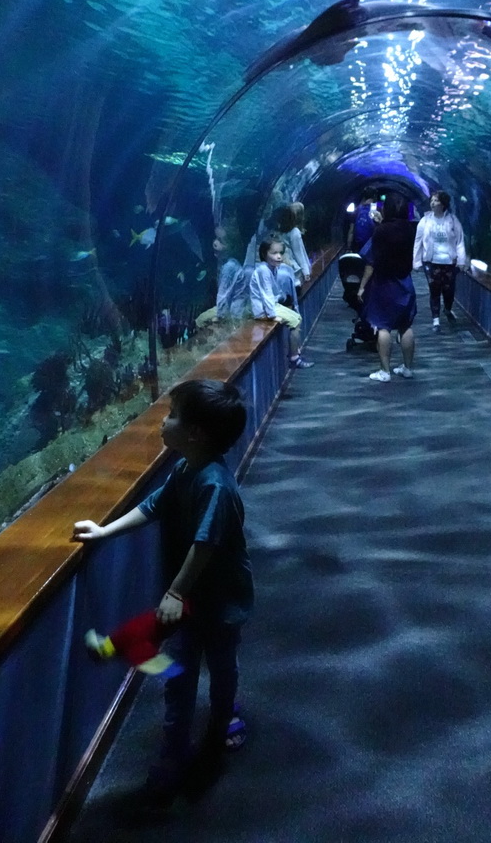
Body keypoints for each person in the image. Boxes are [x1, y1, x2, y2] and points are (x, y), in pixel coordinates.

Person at [72, 379, 254, 808]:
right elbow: (154, 505)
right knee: (179, 674)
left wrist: (175, 591)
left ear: (194, 433)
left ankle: (223, 717)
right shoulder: (185, 468)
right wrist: (104, 531)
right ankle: (173, 755)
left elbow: (205, 544)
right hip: (187, 603)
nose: (163, 421)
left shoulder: (215, 485)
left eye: (171, 415)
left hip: (219, 600)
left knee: (222, 665)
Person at [357, 191, 416, 382]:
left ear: (386, 208)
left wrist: (362, 287)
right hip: (405, 282)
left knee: (383, 327)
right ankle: (407, 368)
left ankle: (385, 371)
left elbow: (371, 261)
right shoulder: (410, 229)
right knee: (405, 326)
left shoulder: (380, 231)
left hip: (384, 284)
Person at [249, 238, 314, 368]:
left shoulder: (272, 268)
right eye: (274, 253)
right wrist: (272, 315)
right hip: (262, 310)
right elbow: (266, 295)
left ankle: (296, 352)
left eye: (281, 253)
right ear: (264, 254)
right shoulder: (263, 270)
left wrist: (282, 298)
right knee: (295, 321)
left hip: (270, 305)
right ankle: (294, 358)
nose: (279, 256)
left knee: (296, 317)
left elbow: (274, 291)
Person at [413, 190, 468, 332]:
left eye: (436, 200)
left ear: (443, 204)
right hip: (431, 261)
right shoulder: (425, 221)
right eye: (432, 200)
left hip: (449, 262)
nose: (433, 203)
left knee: (449, 290)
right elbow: (418, 242)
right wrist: (417, 261)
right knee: (434, 289)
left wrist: (461, 260)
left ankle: (447, 309)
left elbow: (460, 241)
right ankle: (435, 320)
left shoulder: (453, 221)